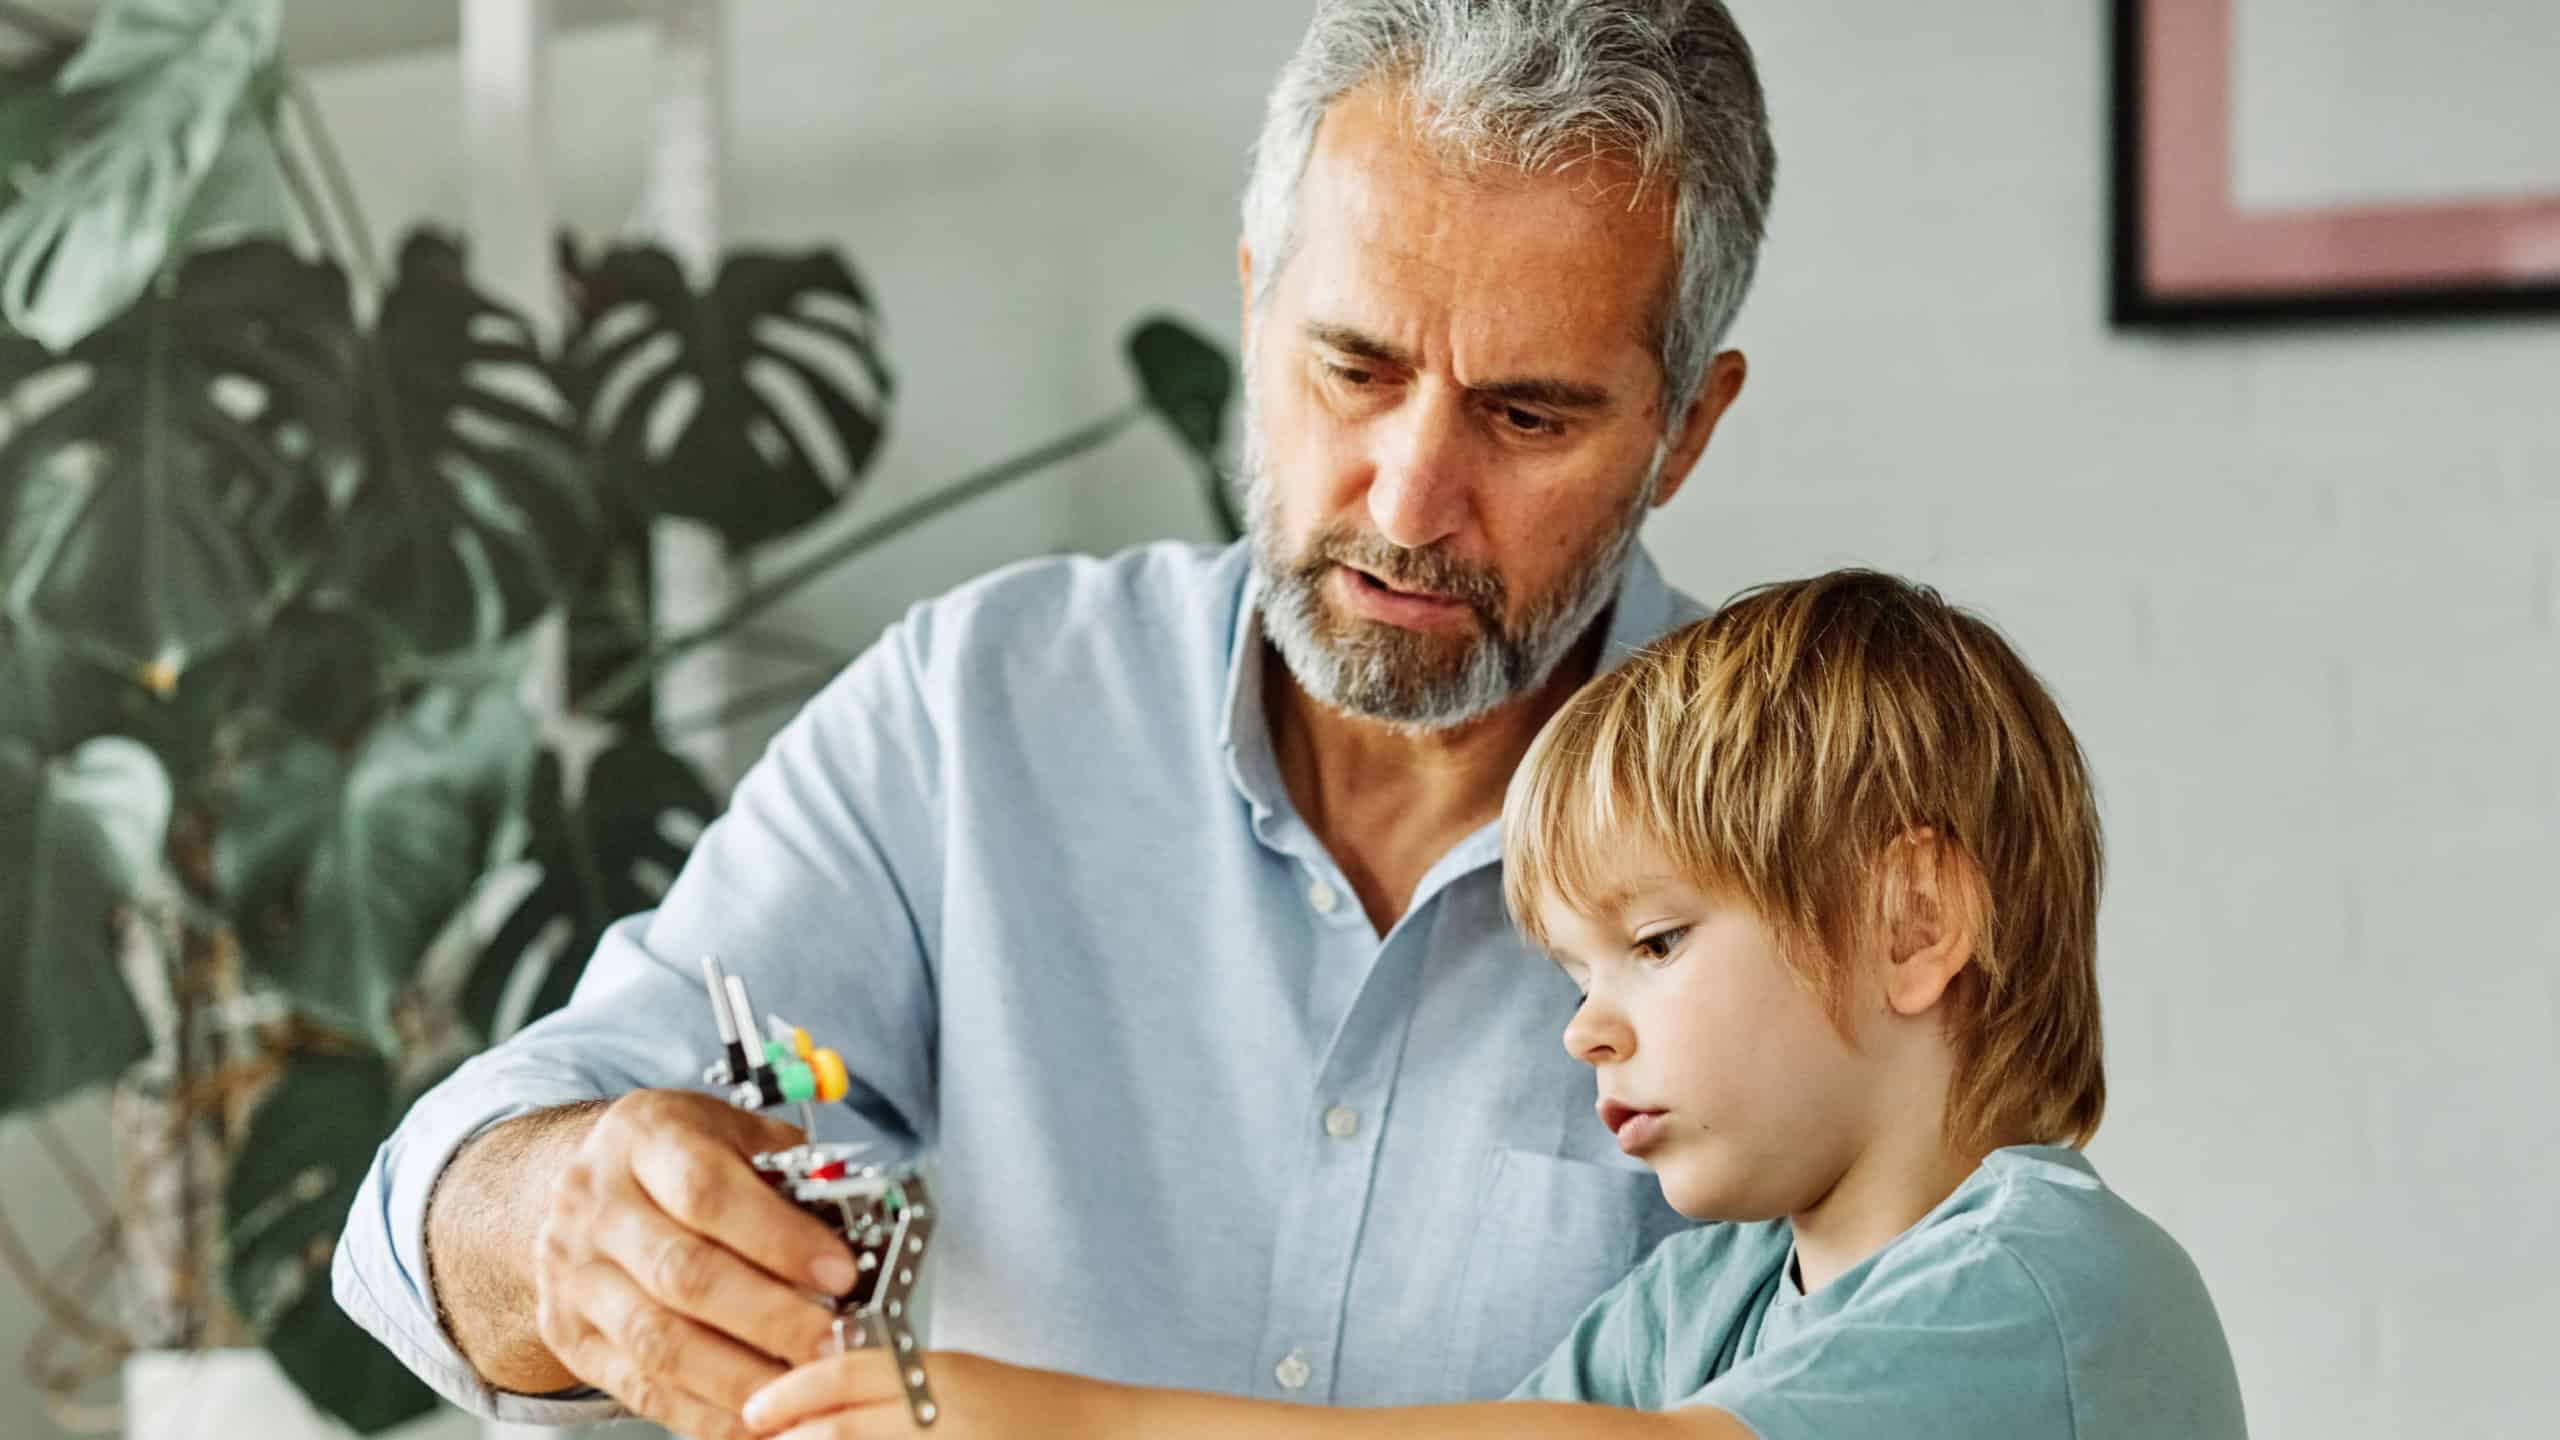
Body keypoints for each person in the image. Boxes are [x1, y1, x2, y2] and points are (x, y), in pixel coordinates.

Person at [333, 3, 1779, 1436]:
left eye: (1526, 418)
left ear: (1688, 434)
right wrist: (566, 1224)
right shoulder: (983, 712)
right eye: (1352, 368)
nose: (1408, 502)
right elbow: (442, 1210)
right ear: (1253, 301)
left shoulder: (1818, 831)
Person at [736, 570, 2253, 1439]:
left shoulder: (2056, 1297)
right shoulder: (1697, 1307)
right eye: (1576, 976)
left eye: (1653, 944)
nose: (1586, 1029)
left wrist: (1074, 1428)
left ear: (1913, 923)